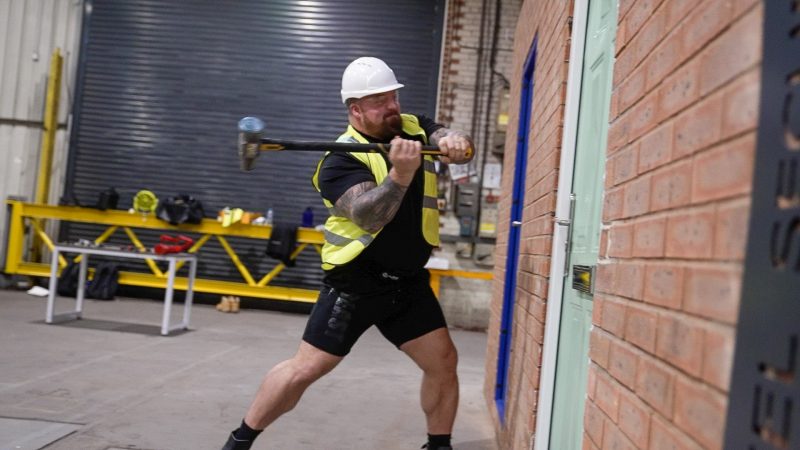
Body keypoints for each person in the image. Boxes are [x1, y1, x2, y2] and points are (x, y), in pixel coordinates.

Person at [221, 56, 474, 450]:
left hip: (407, 282)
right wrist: (401, 174)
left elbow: (440, 132)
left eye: (393, 97)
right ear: (355, 110)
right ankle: (240, 440)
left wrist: (451, 140)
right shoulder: (338, 161)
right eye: (379, 101)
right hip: (357, 283)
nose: (391, 107)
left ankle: (439, 445)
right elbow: (368, 216)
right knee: (306, 370)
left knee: (443, 362)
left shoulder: (411, 127)